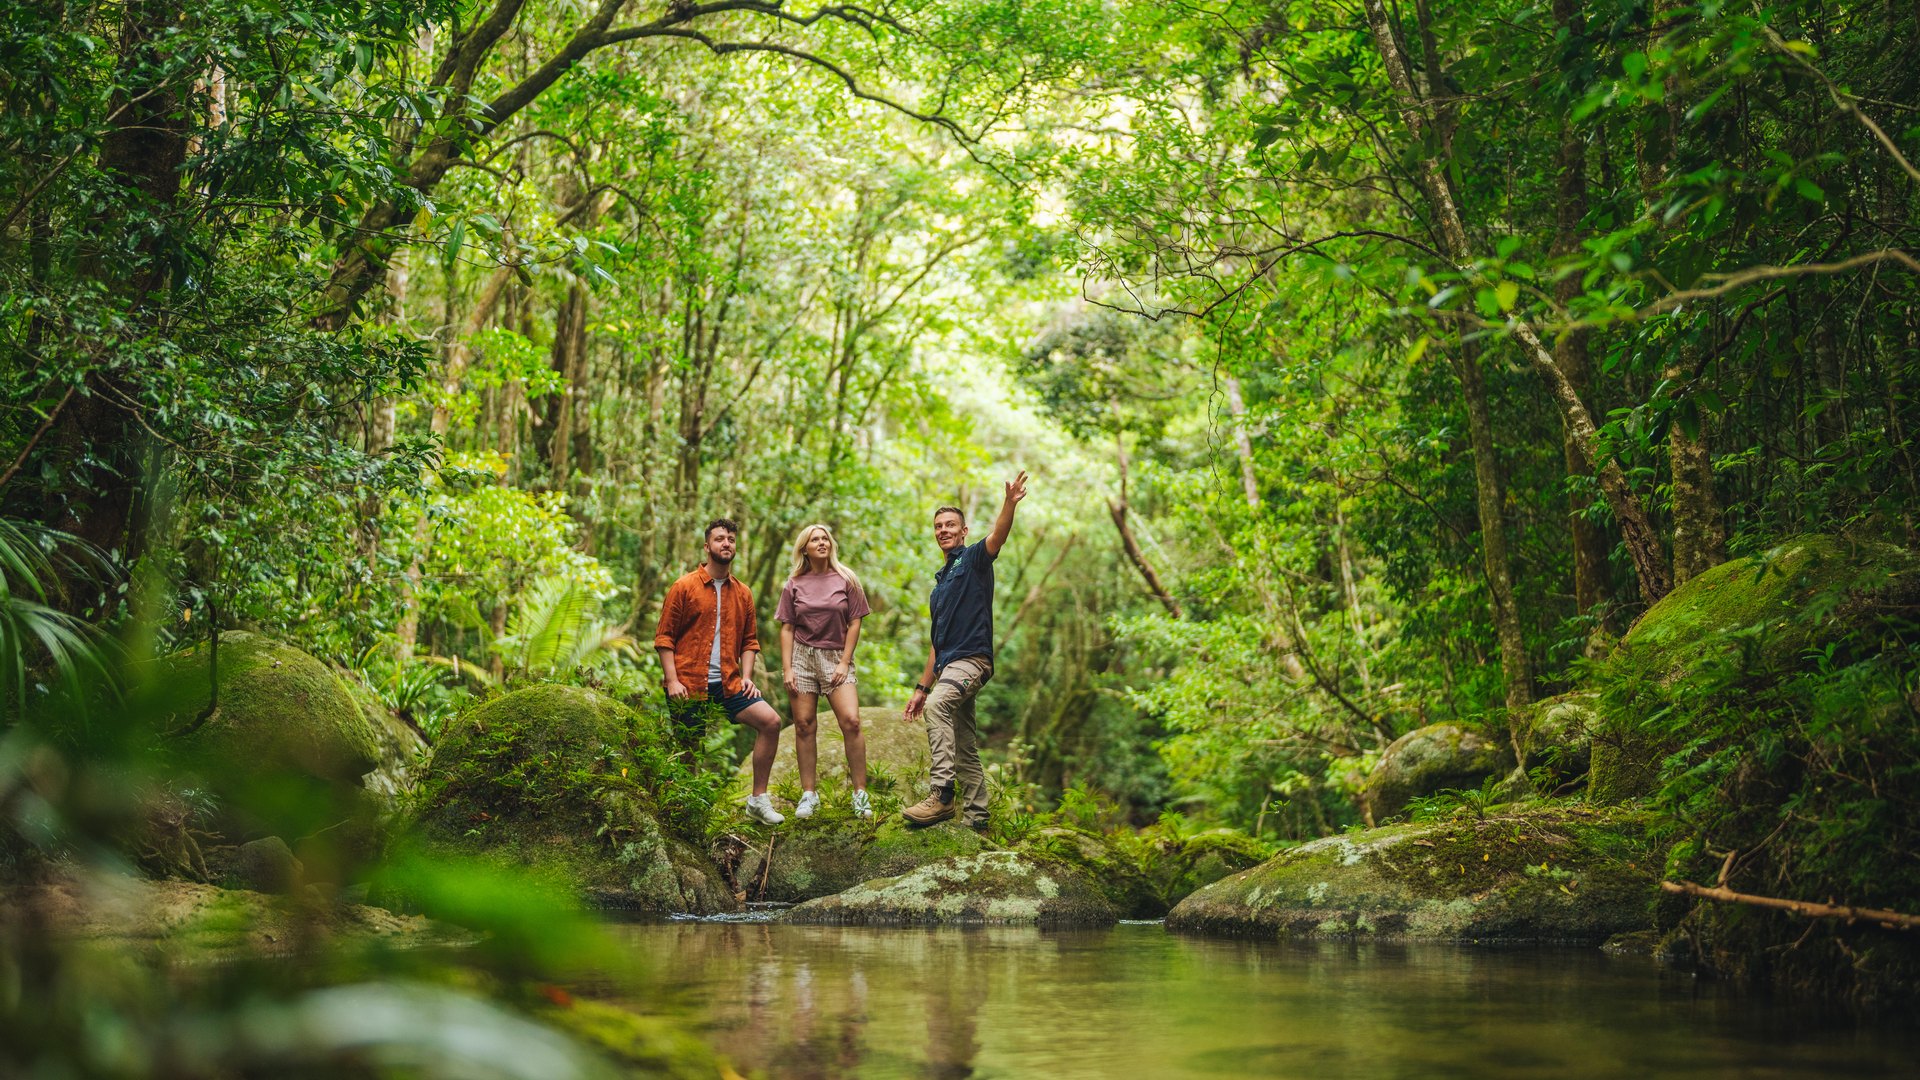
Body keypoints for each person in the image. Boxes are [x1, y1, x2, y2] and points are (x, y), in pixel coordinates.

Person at [901, 471, 1029, 828]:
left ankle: (942, 796)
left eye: (950, 525)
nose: (943, 530)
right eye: (938, 526)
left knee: (938, 707)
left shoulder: (972, 560)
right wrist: (921, 687)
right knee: (963, 743)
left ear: (963, 531)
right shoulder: (939, 586)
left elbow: (998, 537)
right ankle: (977, 819)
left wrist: (1009, 503)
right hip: (947, 665)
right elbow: (936, 642)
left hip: (972, 660)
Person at [655, 517, 787, 825]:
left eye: (730, 539)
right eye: (719, 538)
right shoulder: (683, 587)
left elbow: (750, 642)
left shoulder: (743, 593)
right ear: (707, 546)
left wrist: (747, 677)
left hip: (728, 683)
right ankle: (685, 816)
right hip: (688, 683)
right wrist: (672, 681)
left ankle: (757, 800)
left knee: (771, 722)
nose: (726, 543)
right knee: (688, 751)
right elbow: (664, 638)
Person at [776, 523, 875, 819]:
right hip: (802, 657)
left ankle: (860, 793)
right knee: (804, 724)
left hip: (835, 656)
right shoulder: (794, 583)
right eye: (814, 540)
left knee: (852, 721)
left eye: (825, 538)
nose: (821, 543)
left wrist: (844, 661)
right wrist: (787, 669)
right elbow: (787, 628)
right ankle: (809, 794)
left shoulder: (847, 579)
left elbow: (855, 622)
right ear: (804, 549)